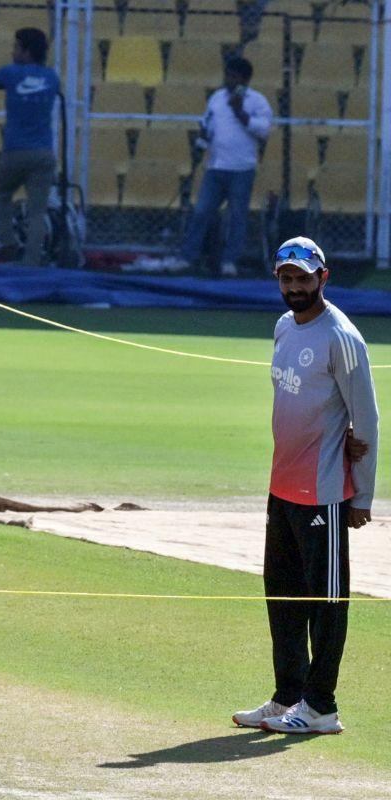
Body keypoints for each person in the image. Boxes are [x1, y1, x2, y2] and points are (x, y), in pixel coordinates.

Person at [232, 237, 378, 735]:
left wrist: (361, 496)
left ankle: (321, 707)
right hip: (283, 488)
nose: (295, 287)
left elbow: (368, 420)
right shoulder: (282, 327)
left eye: (303, 278)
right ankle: (287, 696)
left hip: (326, 494)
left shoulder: (342, 337)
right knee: (284, 596)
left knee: (326, 603)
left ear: (323, 277)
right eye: (286, 278)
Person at [138, 57, 272, 277]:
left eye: (234, 76)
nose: (228, 80)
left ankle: (230, 261)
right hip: (215, 167)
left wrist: (241, 114)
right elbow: (207, 124)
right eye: (227, 75)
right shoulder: (217, 98)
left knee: (237, 216)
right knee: (201, 212)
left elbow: (264, 130)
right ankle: (187, 257)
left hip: (242, 169)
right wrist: (200, 146)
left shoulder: (257, 101)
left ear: (245, 79)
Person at [0, 28, 60, 267]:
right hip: (43, 152)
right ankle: (32, 262)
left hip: (15, 150)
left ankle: (8, 242)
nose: (12, 51)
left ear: (26, 51)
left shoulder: (11, 73)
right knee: (37, 211)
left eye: (16, 47)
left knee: (2, 194)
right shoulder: (52, 77)